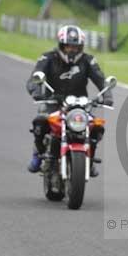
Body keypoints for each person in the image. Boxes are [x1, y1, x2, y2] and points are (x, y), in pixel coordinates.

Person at [26, 25, 113, 176]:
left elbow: (101, 79)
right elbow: (35, 76)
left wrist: (107, 94)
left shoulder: (88, 60)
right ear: (61, 45)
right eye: (68, 46)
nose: (72, 50)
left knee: (97, 127)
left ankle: (89, 159)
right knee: (40, 122)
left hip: (80, 105)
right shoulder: (48, 58)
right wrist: (36, 91)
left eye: (76, 46)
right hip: (52, 103)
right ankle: (38, 155)